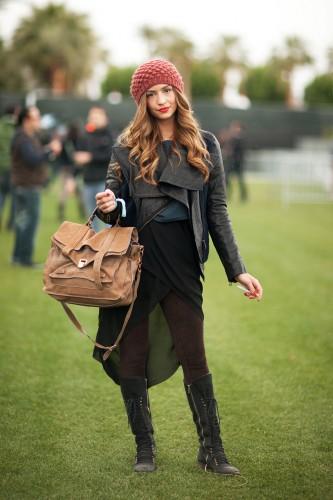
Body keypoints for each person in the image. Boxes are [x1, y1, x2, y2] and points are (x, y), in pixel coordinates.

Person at [94, 60, 263, 475]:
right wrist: (110, 205)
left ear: (178, 92)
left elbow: (217, 211)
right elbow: (115, 206)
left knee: (195, 355)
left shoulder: (204, 144)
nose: (160, 100)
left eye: (166, 91)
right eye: (151, 94)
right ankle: (144, 449)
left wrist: (236, 269)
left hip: (184, 264)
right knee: (132, 355)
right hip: (135, 265)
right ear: (142, 102)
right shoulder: (127, 147)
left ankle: (213, 450)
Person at [11, 106, 61, 267]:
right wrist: (49, 151)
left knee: (22, 223)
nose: (39, 121)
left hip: (25, 186)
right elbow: (32, 159)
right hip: (27, 187)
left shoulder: (27, 136)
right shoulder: (23, 138)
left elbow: (37, 156)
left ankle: (18, 257)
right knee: (28, 224)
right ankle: (24, 259)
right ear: (26, 120)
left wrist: (48, 151)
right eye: (36, 118)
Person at [74, 106, 113, 231]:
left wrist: (91, 157)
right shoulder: (85, 136)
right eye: (92, 116)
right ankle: (94, 248)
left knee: (109, 219)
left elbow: (110, 155)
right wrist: (73, 175)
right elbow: (79, 155)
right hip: (87, 182)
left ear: (105, 118)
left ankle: (111, 248)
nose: (94, 119)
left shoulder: (110, 135)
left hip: (104, 183)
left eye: (97, 116)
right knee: (91, 220)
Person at [224, 121, 248, 202]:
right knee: (226, 179)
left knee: (240, 180)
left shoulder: (240, 138)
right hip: (231, 163)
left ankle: (243, 197)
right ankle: (227, 194)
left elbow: (236, 151)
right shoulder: (232, 138)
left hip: (238, 163)